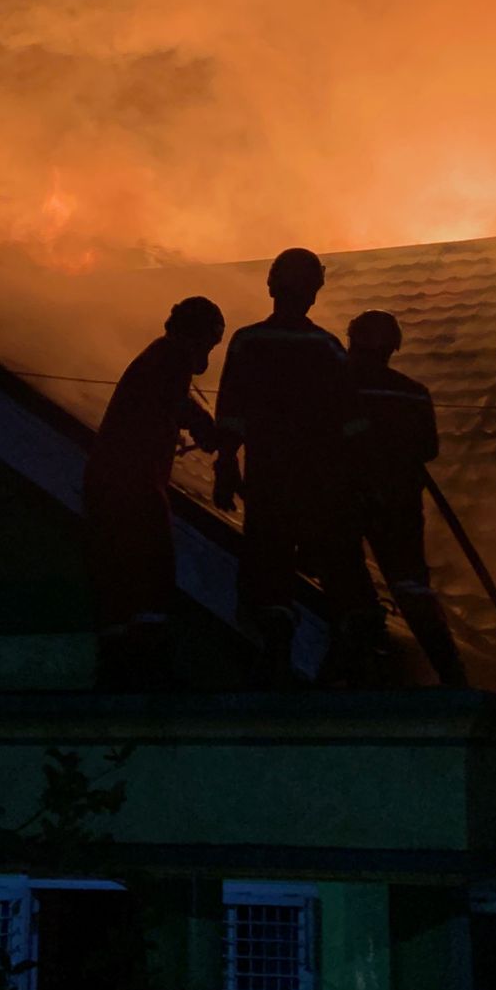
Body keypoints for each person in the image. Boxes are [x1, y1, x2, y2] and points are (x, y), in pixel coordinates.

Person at [213, 247, 375, 685]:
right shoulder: (328, 348)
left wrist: (226, 464)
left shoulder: (249, 341)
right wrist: (358, 483)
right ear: (314, 292)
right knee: (334, 565)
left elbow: (231, 411)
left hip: (268, 477)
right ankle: (351, 663)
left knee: (269, 565)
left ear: (271, 286)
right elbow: (352, 423)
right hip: (322, 482)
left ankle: (276, 658)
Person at [85, 295, 225, 688]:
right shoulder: (171, 356)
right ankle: (149, 663)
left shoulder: (156, 357)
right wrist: (205, 426)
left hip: (107, 485)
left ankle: (116, 663)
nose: (207, 355)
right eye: (210, 343)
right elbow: (178, 402)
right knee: (154, 567)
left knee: (119, 575)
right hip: (134, 482)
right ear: (199, 336)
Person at [344, 309, 467, 687]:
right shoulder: (414, 392)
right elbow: (429, 449)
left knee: (343, 575)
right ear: (392, 348)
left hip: (347, 497)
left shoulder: (337, 389)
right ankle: (451, 674)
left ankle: (354, 665)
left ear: (354, 342)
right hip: (401, 505)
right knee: (412, 586)